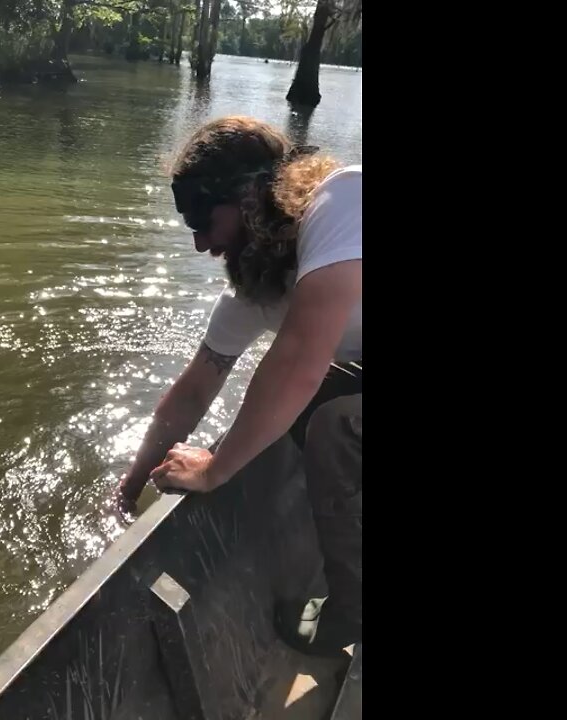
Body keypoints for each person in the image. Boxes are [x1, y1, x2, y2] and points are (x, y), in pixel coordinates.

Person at [114, 116, 362, 656]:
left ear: (251, 195)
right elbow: (194, 390)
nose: (202, 244)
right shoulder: (258, 290)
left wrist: (216, 468)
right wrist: (130, 485)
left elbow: (298, 360)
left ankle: (353, 607)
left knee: (332, 422)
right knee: (287, 410)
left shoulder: (345, 201)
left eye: (204, 219)